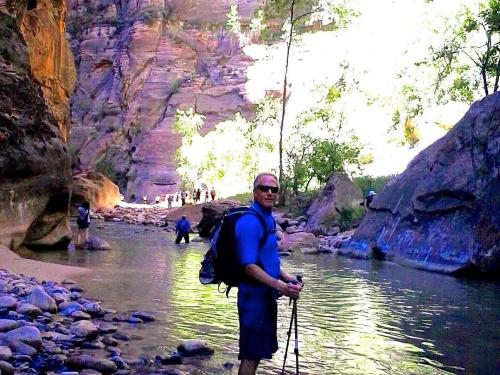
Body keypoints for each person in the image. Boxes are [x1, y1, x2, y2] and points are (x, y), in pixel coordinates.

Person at [235, 173, 303, 375]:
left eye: (274, 189)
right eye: (264, 188)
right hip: (252, 299)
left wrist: (287, 278)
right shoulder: (250, 222)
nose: (270, 193)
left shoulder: (268, 219)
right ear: (255, 192)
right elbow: (249, 266)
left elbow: (268, 259)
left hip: (265, 296)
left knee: (257, 353)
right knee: (250, 354)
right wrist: (281, 287)